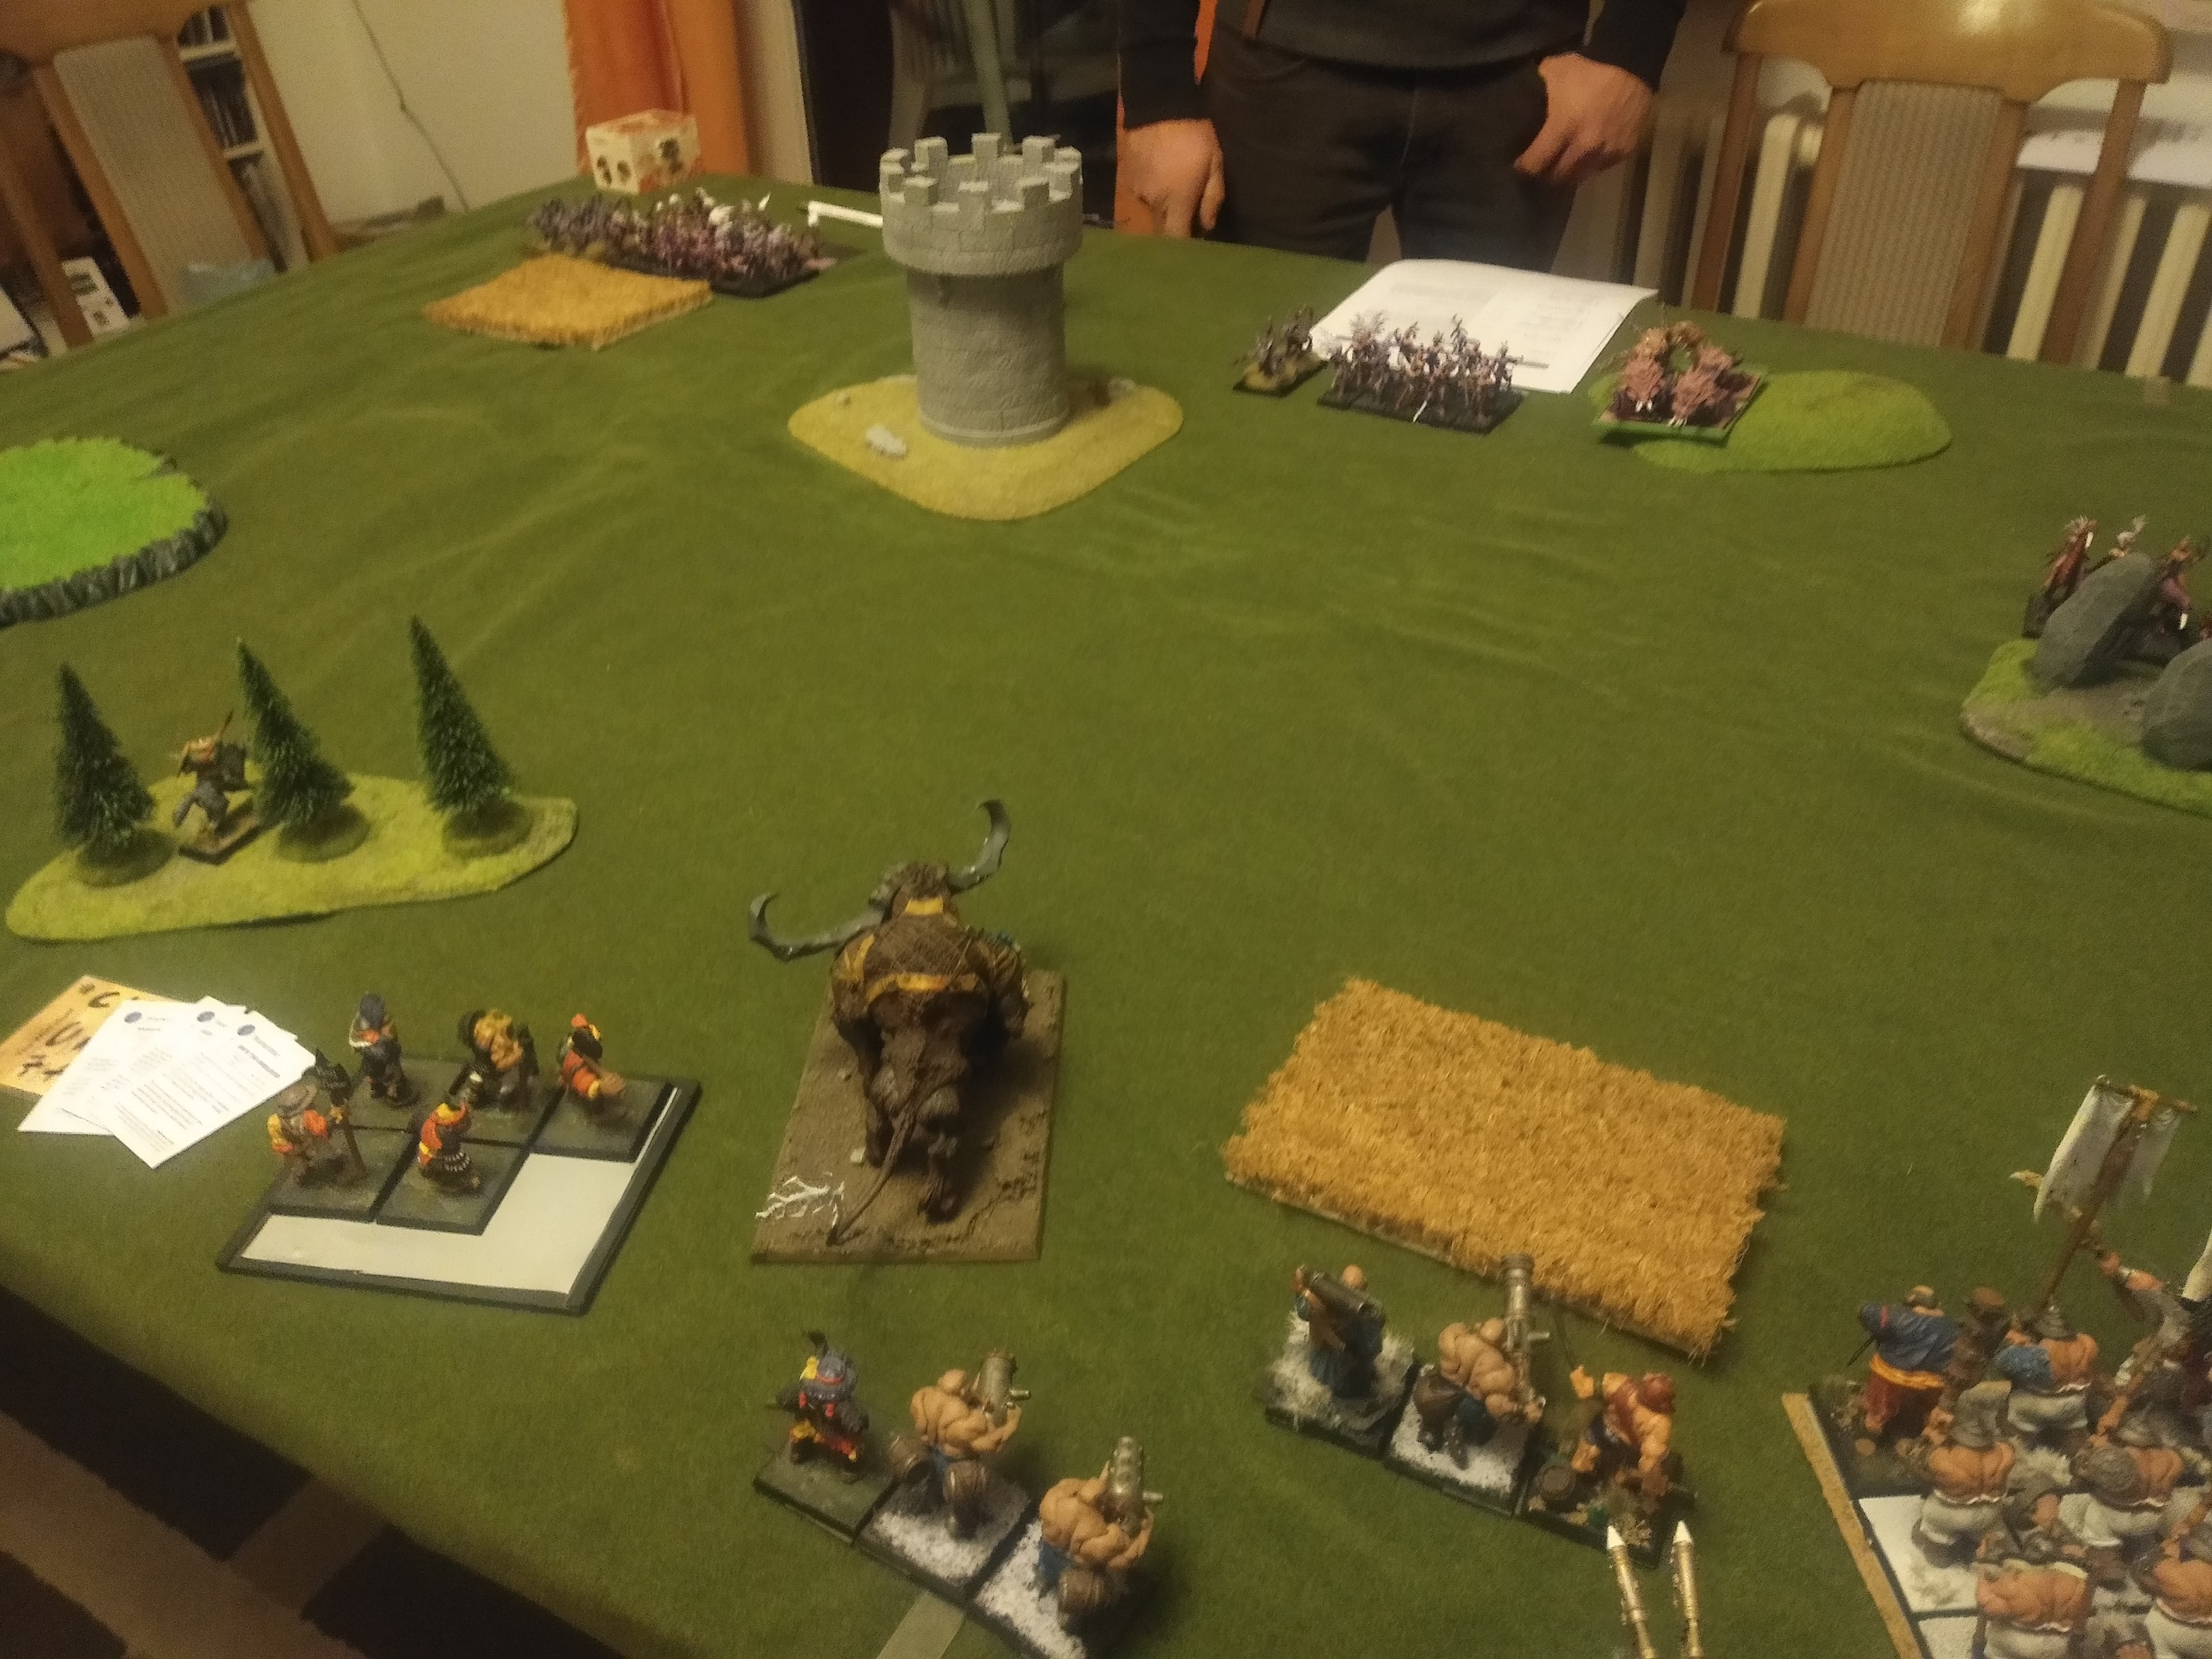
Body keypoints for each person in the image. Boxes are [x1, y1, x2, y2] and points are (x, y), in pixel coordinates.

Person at [1119, 0, 1687, 266]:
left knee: (1486, 411)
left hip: (1518, 74)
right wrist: (1156, 90)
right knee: (1246, 392)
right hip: (1280, 67)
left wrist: (1632, 48)